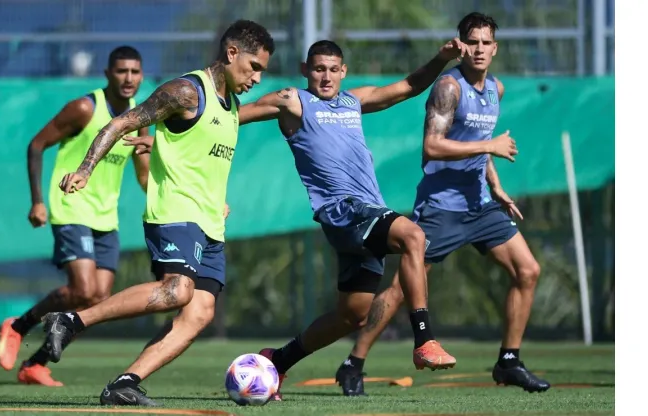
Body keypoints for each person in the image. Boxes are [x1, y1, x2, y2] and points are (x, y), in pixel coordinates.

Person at [39, 20, 275, 407]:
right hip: (175, 211)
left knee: (200, 312)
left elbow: (196, 152)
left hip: (210, 221)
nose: (257, 76)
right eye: (254, 66)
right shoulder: (186, 91)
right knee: (177, 290)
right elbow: (120, 123)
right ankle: (71, 320)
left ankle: (124, 384)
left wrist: (217, 199)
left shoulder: (230, 103)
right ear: (232, 53)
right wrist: (84, 169)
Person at [235, 37, 470, 401]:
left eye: (333, 70)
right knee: (413, 237)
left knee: (353, 316)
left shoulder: (353, 101)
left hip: (365, 215)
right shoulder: (293, 101)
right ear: (305, 71)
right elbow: (232, 118)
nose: (326, 77)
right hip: (343, 210)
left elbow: (409, 86)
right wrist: (172, 140)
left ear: (343, 72)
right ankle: (424, 338)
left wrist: (441, 57)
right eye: (318, 69)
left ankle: (277, 360)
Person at [333, 12, 551, 396]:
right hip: (441, 207)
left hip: (480, 205)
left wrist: (495, 185)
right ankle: (354, 363)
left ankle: (509, 361)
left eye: (486, 42)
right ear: (461, 45)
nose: (479, 48)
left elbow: (477, 140)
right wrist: (490, 146)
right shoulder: (449, 87)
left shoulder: (495, 89)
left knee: (528, 270)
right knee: (402, 288)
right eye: (473, 41)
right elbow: (432, 147)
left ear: (494, 48)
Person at [0, 46, 151, 387]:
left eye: (135, 72)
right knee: (82, 288)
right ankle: (19, 326)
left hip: (106, 217)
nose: (129, 79)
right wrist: (37, 202)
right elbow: (36, 145)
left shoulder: (138, 118)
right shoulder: (85, 108)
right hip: (71, 206)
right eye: (122, 71)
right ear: (108, 73)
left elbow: (143, 176)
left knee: (96, 299)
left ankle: (34, 364)